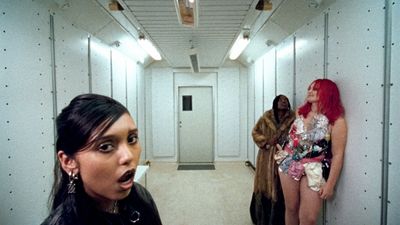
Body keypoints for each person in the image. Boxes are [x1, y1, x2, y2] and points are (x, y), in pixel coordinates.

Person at [41, 93, 162, 225]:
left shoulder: (142, 196)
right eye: (105, 147)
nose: (128, 156)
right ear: (69, 162)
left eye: (131, 139)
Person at [275, 79, 347, 225]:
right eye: (310, 88)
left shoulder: (336, 121)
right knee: (291, 208)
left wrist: (330, 185)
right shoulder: (300, 112)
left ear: (328, 92)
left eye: (316, 89)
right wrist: (285, 150)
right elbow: (296, 137)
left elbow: (338, 155)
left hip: (313, 168)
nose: (310, 91)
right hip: (289, 162)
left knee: (309, 218)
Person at [250, 95, 296, 225]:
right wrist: (266, 142)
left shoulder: (293, 119)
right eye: (281, 100)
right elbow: (255, 132)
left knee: (281, 188)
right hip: (266, 157)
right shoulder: (266, 117)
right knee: (265, 186)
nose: (283, 102)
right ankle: (261, 218)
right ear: (275, 103)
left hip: (285, 156)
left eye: (286, 100)